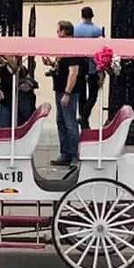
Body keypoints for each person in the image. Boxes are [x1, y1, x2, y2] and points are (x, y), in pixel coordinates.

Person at [48, 21, 81, 167]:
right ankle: (65, 152)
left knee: (69, 123)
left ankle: (73, 154)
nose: (57, 34)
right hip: (60, 89)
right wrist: (51, 63)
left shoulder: (71, 49)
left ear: (63, 32)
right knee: (61, 121)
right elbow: (62, 68)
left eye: (58, 31)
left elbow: (73, 73)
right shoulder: (64, 49)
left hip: (68, 92)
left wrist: (67, 93)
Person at [73, 7, 104, 128]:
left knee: (81, 95)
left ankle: (84, 122)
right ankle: (84, 116)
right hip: (92, 65)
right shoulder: (97, 30)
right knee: (93, 95)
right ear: (92, 15)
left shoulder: (76, 29)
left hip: (79, 65)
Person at [0, 55, 29, 129]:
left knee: (18, 126)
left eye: (16, 57)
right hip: (6, 102)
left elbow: (29, 83)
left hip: (19, 103)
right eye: (12, 57)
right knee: (5, 127)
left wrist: (25, 86)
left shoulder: (22, 69)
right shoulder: (2, 70)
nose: (14, 59)